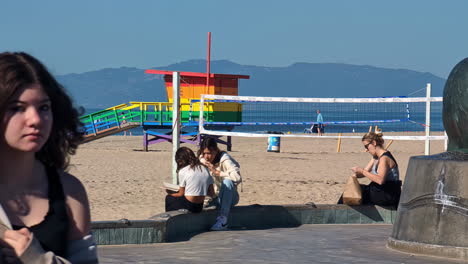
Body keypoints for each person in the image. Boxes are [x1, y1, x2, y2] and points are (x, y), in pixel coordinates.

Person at [0, 52, 98, 263]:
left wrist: (38, 259)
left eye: (44, 107)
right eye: (17, 108)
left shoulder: (69, 191)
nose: (35, 119)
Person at [339, 132, 402, 207]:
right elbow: (365, 172)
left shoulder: (384, 158)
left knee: (357, 193)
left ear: (374, 143)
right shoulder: (376, 157)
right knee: (351, 192)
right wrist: (356, 174)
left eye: (366, 146)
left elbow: (380, 180)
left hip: (388, 194)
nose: (366, 150)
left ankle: (337, 214)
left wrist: (362, 171)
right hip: (381, 191)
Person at [197, 137, 242, 231]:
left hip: (229, 196)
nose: (206, 156)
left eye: (209, 153)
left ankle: (223, 220)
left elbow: (237, 177)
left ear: (216, 151)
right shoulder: (202, 159)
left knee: (227, 182)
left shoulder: (225, 159)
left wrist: (218, 172)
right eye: (204, 153)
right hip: (213, 198)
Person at [165, 147, 214, 213]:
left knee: (169, 198)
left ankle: (171, 219)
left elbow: (181, 194)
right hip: (199, 206)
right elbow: (211, 193)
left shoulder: (183, 171)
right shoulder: (205, 168)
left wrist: (171, 193)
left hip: (189, 205)